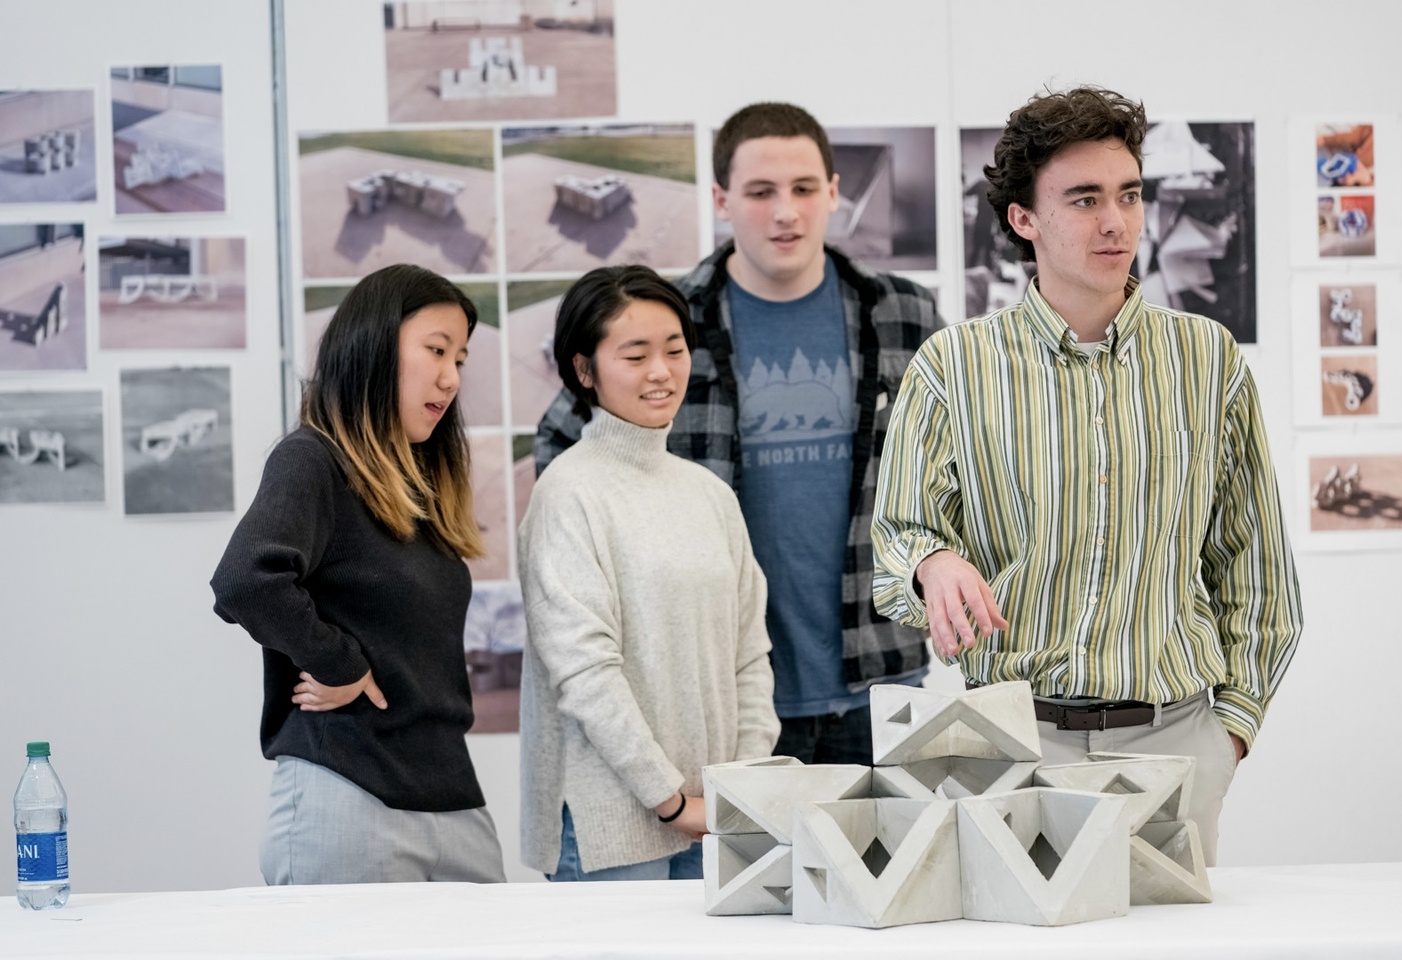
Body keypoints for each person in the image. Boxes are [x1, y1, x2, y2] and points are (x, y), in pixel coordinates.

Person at [870, 87, 1303, 865]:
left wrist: (1230, 732)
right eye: (1084, 199)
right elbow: (900, 540)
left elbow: (1255, 564)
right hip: (1009, 746)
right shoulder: (954, 367)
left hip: (1175, 746)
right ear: (1023, 220)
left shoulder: (1206, 360)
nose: (1116, 221)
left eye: (1129, 195)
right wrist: (932, 563)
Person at [535, 103, 944, 765]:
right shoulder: (667, 323)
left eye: (805, 189)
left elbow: (959, 470)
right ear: (723, 199)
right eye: (760, 192)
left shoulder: (905, 314)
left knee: (892, 869)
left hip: (885, 678)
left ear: (835, 193)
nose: (786, 212)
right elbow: (561, 445)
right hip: (722, 692)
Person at [210, 263, 505, 885]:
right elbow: (245, 578)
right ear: (374, 346)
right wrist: (339, 662)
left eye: (460, 359)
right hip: (350, 797)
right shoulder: (312, 460)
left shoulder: (420, 487)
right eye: (435, 351)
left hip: (452, 799)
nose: (451, 378)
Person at [518, 265, 779, 881]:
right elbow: (584, 672)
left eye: (674, 350)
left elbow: (750, 654)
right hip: (608, 828)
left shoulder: (710, 494)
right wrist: (669, 800)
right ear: (585, 371)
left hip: (717, 822)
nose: (661, 372)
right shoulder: (568, 493)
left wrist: (740, 785)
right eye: (635, 355)